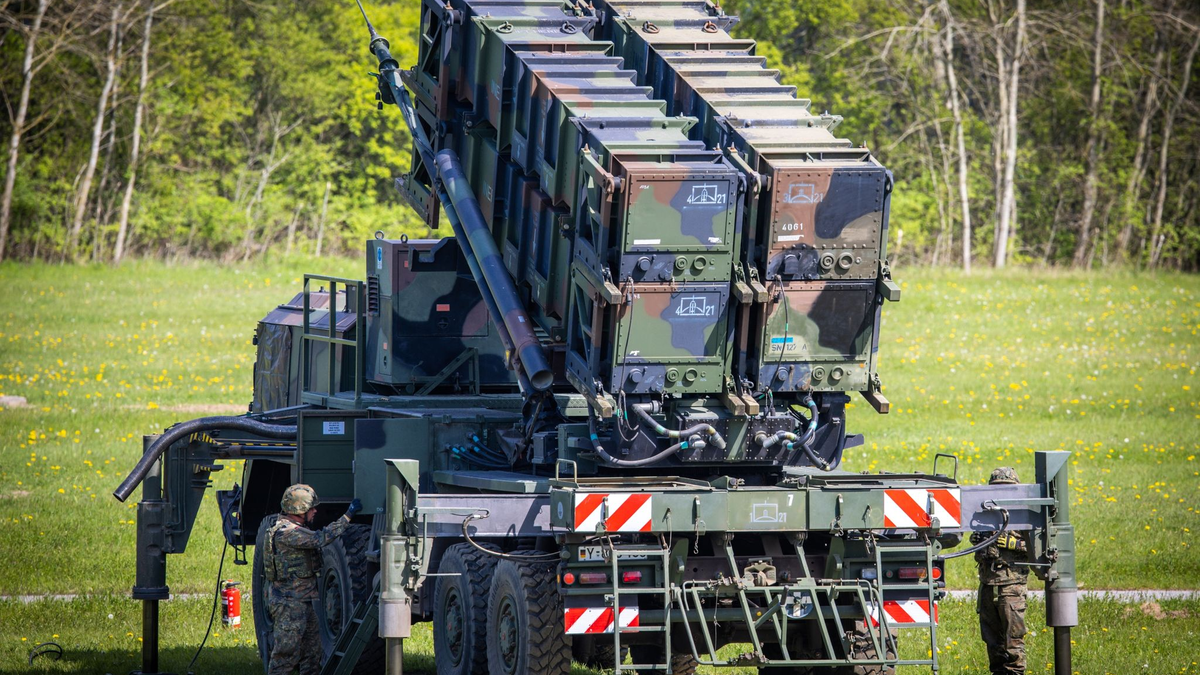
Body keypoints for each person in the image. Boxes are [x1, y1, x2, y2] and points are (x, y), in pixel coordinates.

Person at [264, 484, 362, 675]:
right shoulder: (287, 533)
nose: (315, 511)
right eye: (311, 508)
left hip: (302, 602)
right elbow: (320, 538)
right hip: (289, 605)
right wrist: (348, 516)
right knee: (286, 656)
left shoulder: (293, 529)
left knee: (312, 654)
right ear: (299, 510)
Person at [971, 467, 1029, 675]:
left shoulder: (1024, 514)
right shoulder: (985, 513)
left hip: (1011, 586)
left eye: (1006, 488)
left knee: (1013, 640)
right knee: (992, 641)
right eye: (997, 488)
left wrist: (1012, 543)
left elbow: (1039, 548)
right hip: (987, 584)